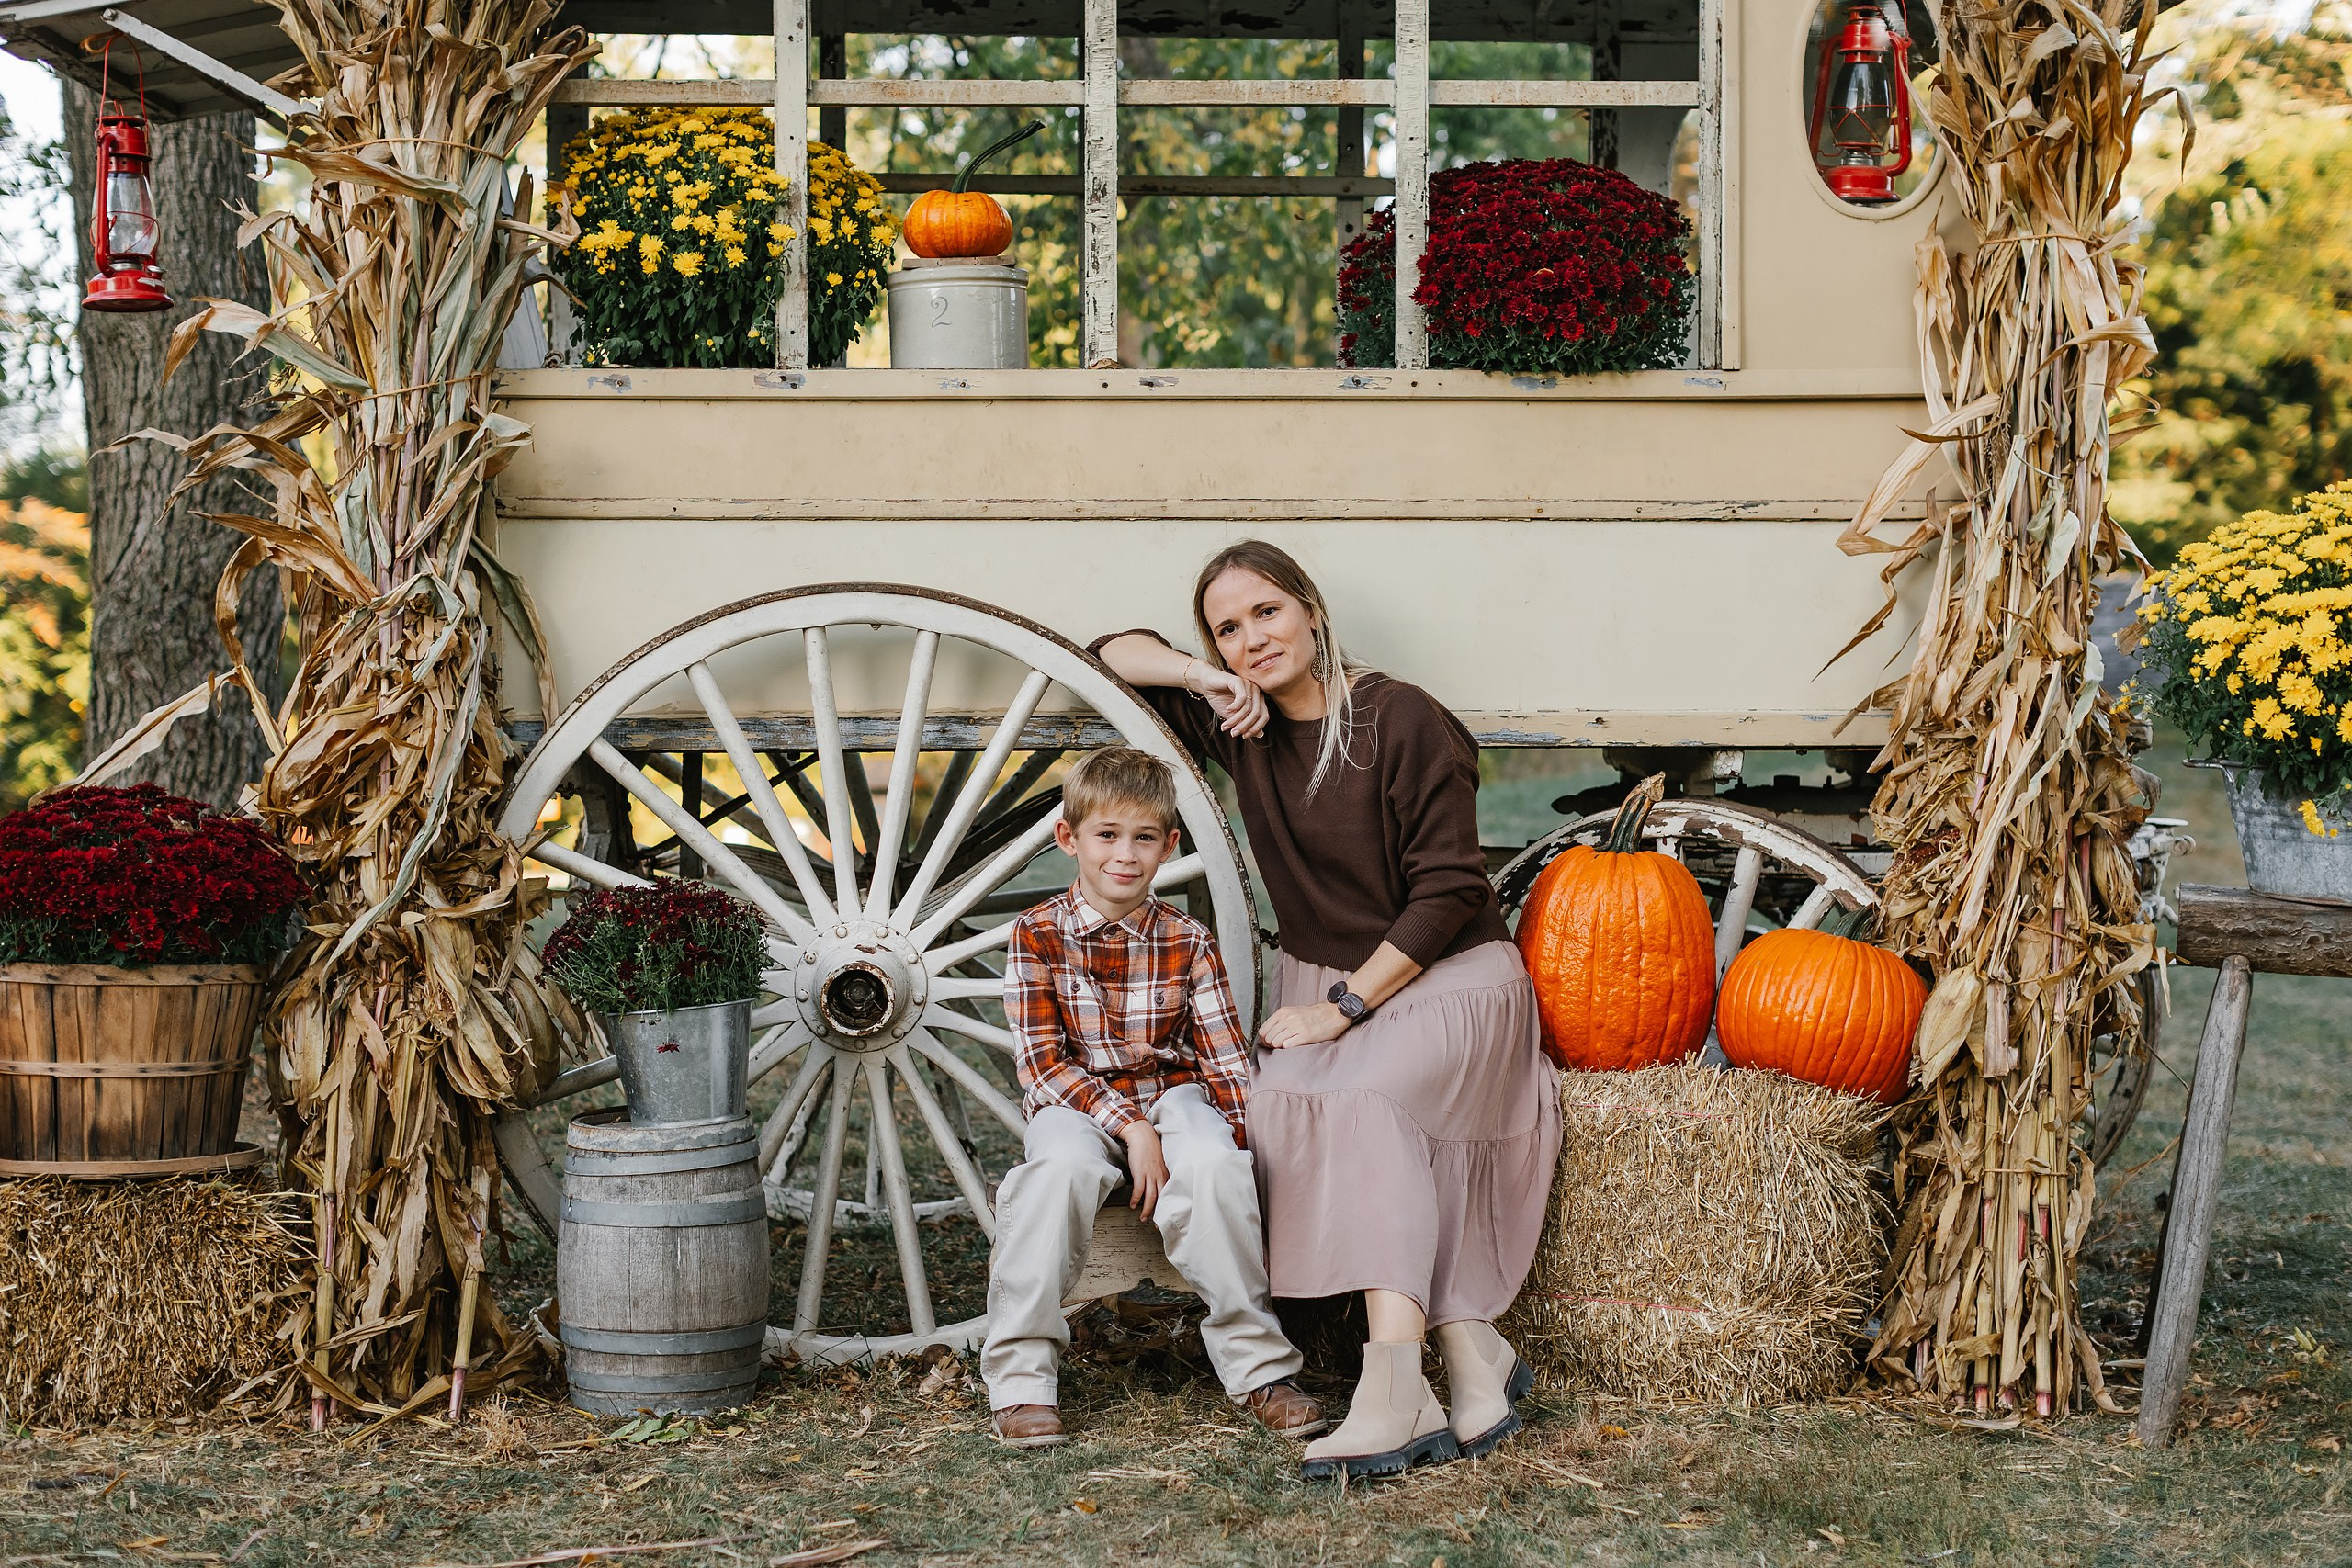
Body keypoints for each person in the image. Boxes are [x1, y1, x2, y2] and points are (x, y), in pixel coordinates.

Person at [1093, 540, 1562, 1482]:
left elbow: (1444, 893)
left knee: (1360, 1102)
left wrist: (1341, 1009)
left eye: (1266, 612)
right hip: (1331, 988)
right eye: (1227, 629)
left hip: (1449, 977)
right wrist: (1201, 675)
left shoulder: (1402, 720)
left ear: (1308, 608)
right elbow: (1107, 649)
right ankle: (1468, 1342)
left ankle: (1394, 1385)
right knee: (1279, 1106)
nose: (1252, 639)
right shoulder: (1240, 717)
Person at [982, 746, 1326, 1449]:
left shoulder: (1188, 940)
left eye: (1144, 838)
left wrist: (1245, 1145)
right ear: (1068, 837)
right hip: (1072, 1103)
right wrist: (1131, 1129)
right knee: (1059, 1171)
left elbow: (1227, 1063)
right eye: (1106, 835)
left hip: (1173, 1093)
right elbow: (1044, 1065)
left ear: (1170, 845)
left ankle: (1259, 1367)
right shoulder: (1037, 934)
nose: (1124, 855)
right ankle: (1021, 1380)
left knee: (1210, 1161)